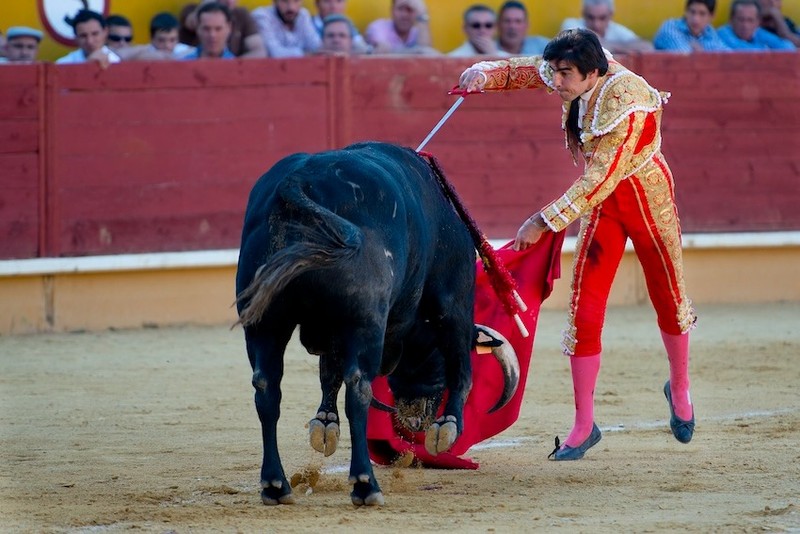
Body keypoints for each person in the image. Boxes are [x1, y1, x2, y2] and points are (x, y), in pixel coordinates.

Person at [458, 28, 697, 460]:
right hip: (603, 208)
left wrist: (543, 221)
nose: (556, 81)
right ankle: (584, 425)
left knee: (669, 296)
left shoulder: (629, 102)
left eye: (564, 74)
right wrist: (485, 74)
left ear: (592, 74)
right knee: (584, 311)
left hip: (645, 198)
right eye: (556, 72)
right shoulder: (574, 70)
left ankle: (679, 386)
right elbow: (531, 70)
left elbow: (598, 179)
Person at [560, 0, 654, 54]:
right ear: (583, 14)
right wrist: (625, 47)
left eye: (602, 18)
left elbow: (647, 47)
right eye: (591, 17)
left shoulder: (616, 29)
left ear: (610, 15)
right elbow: (588, 44)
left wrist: (608, 45)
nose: (596, 24)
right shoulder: (570, 24)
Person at [179, 0, 266, 57]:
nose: (212, 35)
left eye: (218, 29)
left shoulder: (241, 14)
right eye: (206, 29)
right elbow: (190, 21)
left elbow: (259, 51)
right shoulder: (196, 12)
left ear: (229, 27)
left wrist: (231, 66)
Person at [365, 0, 438, 55]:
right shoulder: (379, 27)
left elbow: (427, 57)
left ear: (416, 13)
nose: (404, 15)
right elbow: (384, 51)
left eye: (409, 10)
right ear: (392, 10)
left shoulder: (417, 33)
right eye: (400, 9)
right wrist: (419, 51)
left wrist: (422, 15)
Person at [653, 0, 730, 52]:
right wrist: (705, 55)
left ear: (711, 17)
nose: (696, 19)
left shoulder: (709, 31)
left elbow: (730, 57)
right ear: (686, 11)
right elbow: (686, 58)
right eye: (692, 12)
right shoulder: (670, 27)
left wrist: (702, 53)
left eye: (702, 14)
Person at [252, 0, 321, 57]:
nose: (291, 7)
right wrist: (306, 54)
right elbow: (274, 53)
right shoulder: (262, 16)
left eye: (296, 1)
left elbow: (316, 46)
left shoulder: (303, 15)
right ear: (274, 2)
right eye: (284, 1)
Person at [718, 0, 796, 50]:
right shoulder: (722, 34)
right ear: (731, 21)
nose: (745, 25)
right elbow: (745, 53)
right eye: (741, 20)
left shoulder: (758, 32)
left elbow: (788, 47)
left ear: (758, 22)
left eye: (750, 20)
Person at [56, 10, 122, 66]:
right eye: (83, 36)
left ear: (105, 32)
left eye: (95, 34)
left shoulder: (117, 62)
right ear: (76, 38)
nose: (89, 41)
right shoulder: (63, 64)